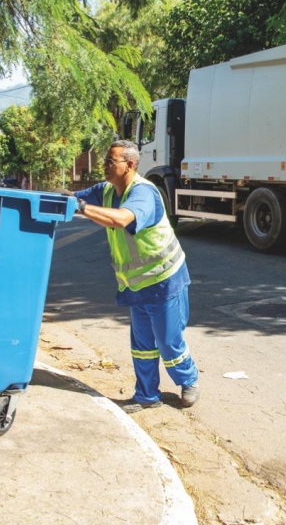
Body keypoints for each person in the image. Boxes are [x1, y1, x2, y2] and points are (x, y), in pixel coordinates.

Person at [71, 140, 199, 413]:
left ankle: (188, 380)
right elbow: (72, 199)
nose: (104, 166)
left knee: (168, 342)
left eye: (110, 161)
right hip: (136, 284)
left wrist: (82, 208)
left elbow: (121, 219)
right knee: (142, 346)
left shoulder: (143, 193)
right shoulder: (106, 191)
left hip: (165, 280)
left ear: (129, 165)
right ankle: (146, 396)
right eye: (106, 160)